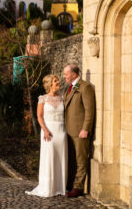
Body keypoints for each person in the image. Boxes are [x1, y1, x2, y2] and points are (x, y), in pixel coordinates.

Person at [26, 74, 67, 197]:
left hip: (61, 132)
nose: (58, 82)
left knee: (61, 159)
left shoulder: (62, 98)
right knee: (49, 158)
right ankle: (48, 188)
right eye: (55, 81)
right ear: (49, 84)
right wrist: (45, 130)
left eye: (57, 80)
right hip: (48, 132)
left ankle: (60, 187)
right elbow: (39, 116)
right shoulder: (42, 99)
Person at [63, 64, 96, 198]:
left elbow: (89, 110)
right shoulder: (71, 87)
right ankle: (70, 184)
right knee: (71, 159)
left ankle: (78, 187)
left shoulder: (85, 87)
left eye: (66, 74)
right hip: (69, 130)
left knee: (80, 159)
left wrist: (85, 129)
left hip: (80, 131)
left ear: (74, 74)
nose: (64, 77)